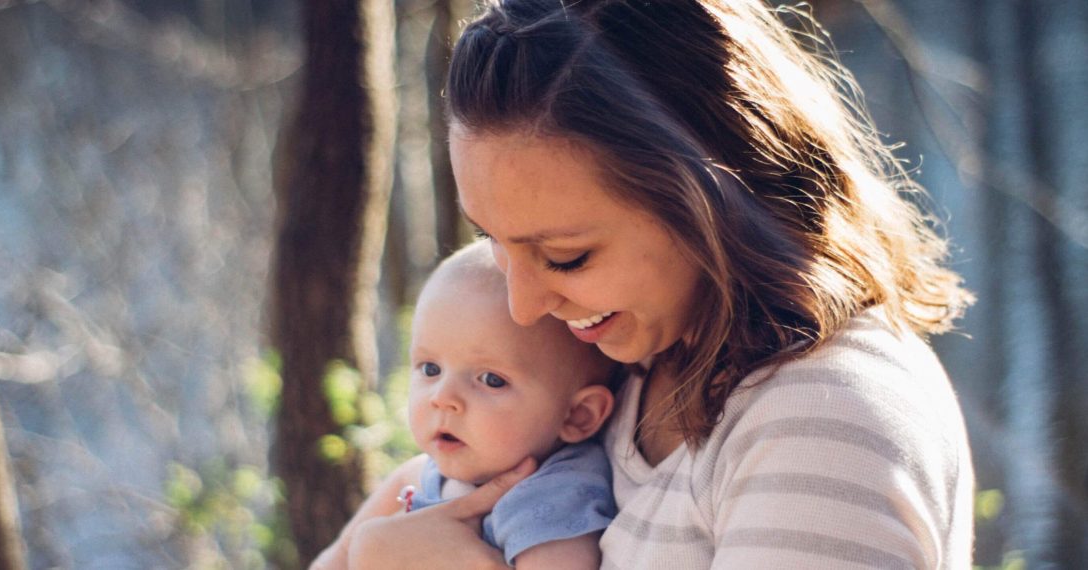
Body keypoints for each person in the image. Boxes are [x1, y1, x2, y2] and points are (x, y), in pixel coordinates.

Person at [332, 0, 977, 567]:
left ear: (713, 202)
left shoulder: (826, 420)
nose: (522, 308)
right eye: (494, 241)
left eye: (566, 257)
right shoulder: (632, 363)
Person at [313, 243, 622, 569]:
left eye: (491, 379)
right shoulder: (417, 476)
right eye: (430, 369)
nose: (442, 397)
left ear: (578, 415)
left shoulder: (553, 501)